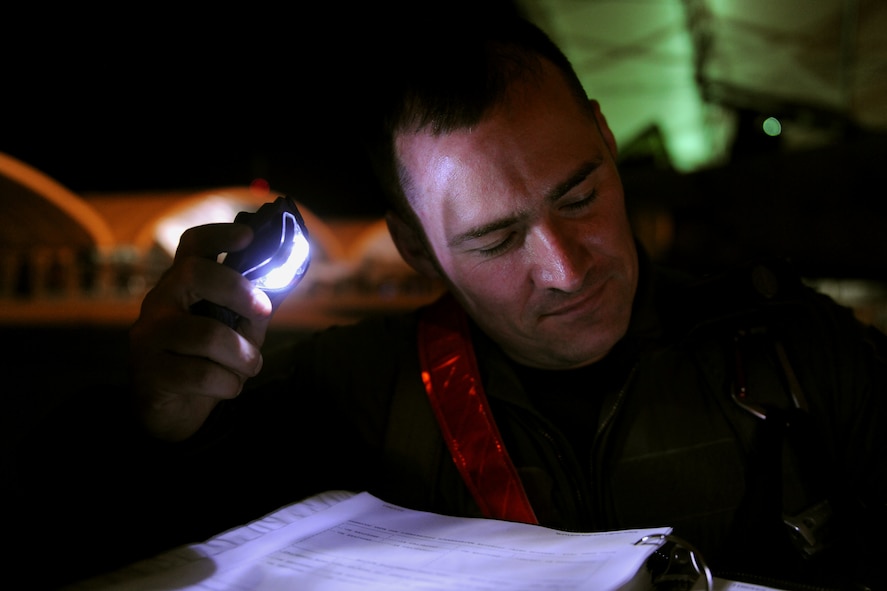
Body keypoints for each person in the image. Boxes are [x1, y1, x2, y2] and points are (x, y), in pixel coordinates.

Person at [12, 12, 885, 591]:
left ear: (607, 135)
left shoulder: (798, 353)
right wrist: (158, 424)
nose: (565, 267)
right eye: (496, 238)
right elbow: (78, 539)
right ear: (414, 244)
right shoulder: (350, 397)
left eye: (578, 194)